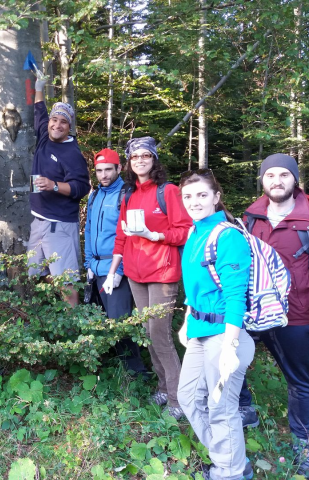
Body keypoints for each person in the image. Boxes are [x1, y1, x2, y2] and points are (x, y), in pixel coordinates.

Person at [238, 154, 309, 479]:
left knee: (298, 380)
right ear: (262, 181)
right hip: (253, 312)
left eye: (284, 174)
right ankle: (245, 409)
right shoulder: (251, 218)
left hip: (294, 315)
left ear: (295, 179)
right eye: (270, 175)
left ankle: (300, 443)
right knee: (230, 359)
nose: (277, 180)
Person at [103, 137, 191, 419]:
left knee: (160, 335)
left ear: (154, 159)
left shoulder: (169, 192)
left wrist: (157, 236)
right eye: (135, 156)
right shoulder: (128, 194)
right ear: (129, 162)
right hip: (135, 274)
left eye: (145, 155)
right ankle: (163, 386)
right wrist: (113, 271)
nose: (140, 160)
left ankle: (178, 399)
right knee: (147, 334)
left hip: (163, 273)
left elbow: (186, 230)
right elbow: (121, 235)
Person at [176, 169, 255, 480]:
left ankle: (232, 471)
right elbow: (196, 288)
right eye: (188, 196)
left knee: (221, 405)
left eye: (201, 195)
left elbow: (237, 298)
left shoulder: (228, 236)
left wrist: (230, 346)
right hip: (199, 329)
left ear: (217, 197)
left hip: (225, 333)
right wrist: (186, 321)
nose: (194, 201)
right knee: (188, 397)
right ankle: (227, 455)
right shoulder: (194, 233)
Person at [27, 76, 91, 306]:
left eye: (63, 122)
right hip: (38, 221)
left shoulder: (72, 154)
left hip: (60, 224)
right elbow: (39, 113)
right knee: (37, 274)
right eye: (54, 120)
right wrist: (38, 88)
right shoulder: (45, 136)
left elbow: (81, 187)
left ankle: (74, 331)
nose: (56, 124)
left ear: (69, 126)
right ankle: (51, 324)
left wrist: (53, 185)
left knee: (66, 282)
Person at [84, 148, 148, 377]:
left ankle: (137, 373)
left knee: (120, 322)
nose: (103, 175)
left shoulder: (126, 193)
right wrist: (88, 264)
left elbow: (130, 235)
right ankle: (117, 369)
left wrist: (119, 269)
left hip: (117, 268)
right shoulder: (95, 195)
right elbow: (89, 229)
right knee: (103, 322)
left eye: (108, 170)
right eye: (99, 170)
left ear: (119, 168)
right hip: (97, 268)